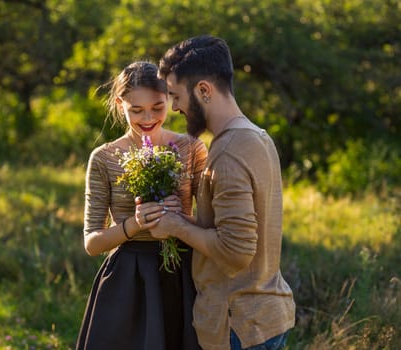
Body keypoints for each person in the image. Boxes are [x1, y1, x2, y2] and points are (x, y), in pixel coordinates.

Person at [147, 35, 296, 350]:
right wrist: (185, 216)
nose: (173, 107)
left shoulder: (228, 150)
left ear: (203, 90)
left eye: (175, 96)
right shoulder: (258, 136)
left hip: (238, 326)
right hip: (267, 317)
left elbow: (236, 250)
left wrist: (176, 226)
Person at [76, 61, 208, 350]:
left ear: (171, 101)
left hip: (181, 275)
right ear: (119, 103)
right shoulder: (104, 158)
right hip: (127, 281)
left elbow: (213, 227)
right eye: (136, 110)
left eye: (157, 107)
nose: (147, 118)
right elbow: (92, 243)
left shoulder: (192, 148)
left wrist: (180, 221)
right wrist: (135, 224)